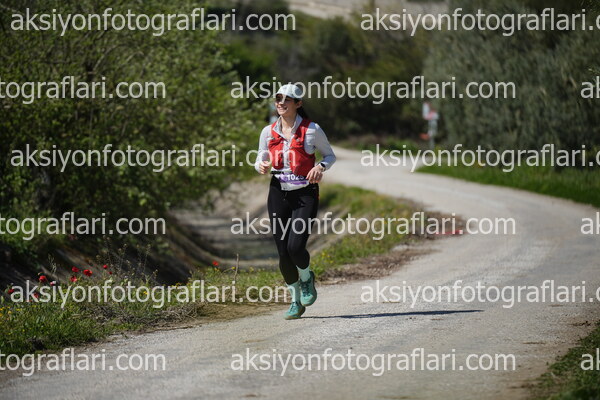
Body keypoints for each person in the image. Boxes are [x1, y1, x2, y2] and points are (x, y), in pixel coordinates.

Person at [254, 84, 336, 319]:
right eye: (278, 98)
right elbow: (260, 156)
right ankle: (295, 301)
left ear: (298, 103)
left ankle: (307, 277)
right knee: (282, 252)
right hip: (278, 192)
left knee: (295, 247)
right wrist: (260, 165)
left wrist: (320, 167)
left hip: (304, 194)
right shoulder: (268, 131)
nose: (280, 102)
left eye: (286, 99)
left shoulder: (312, 130)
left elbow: (330, 155)